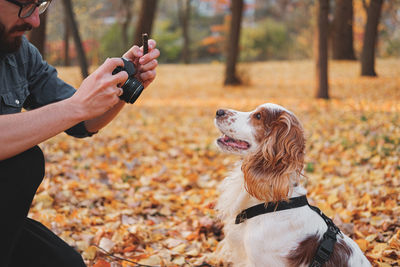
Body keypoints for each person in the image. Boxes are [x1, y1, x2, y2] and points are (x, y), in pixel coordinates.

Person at [0, 0, 160, 266]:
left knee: (66, 263)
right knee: (22, 164)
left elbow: (83, 122)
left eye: (38, 6)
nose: (35, 21)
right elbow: (73, 109)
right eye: (26, 6)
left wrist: (123, 84)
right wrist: (75, 107)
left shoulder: (19, 52)